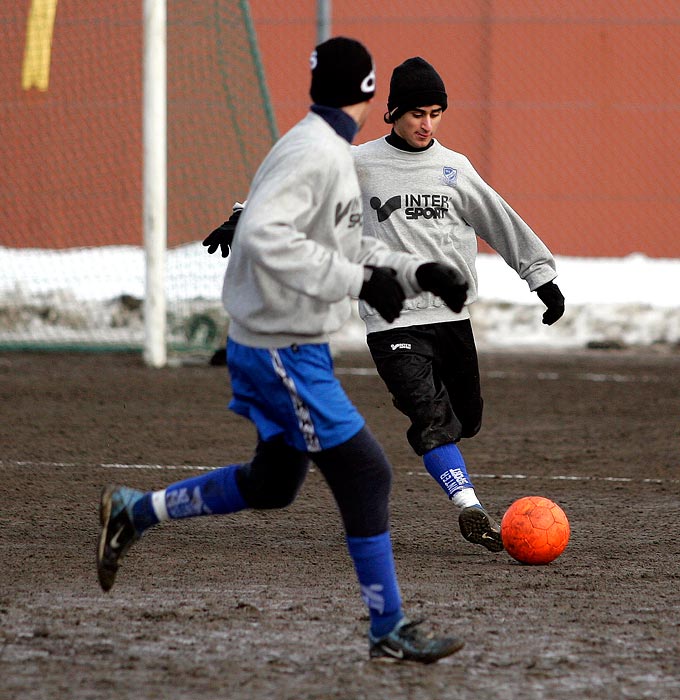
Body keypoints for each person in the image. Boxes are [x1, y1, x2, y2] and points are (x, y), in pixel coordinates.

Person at [97, 38, 472, 664]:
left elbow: (347, 244)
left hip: (289, 345)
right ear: (372, 94)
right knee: (368, 472)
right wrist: (359, 282)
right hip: (280, 349)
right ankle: (388, 628)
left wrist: (417, 273)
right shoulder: (316, 154)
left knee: (273, 484)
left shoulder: (318, 146)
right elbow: (269, 239)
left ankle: (134, 512)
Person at [351, 57, 566, 554]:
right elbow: (299, 194)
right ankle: (469, 507)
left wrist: (542, 277)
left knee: (464, 420)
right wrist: (243, 218)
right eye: (416, 114)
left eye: (436, 113)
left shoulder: (454, 168)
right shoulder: (358, 165)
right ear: (393, 114)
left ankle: (452, 450)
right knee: (428, 415)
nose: (426, 124)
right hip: (393, 319)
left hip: (452, 318)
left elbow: (500, 220)